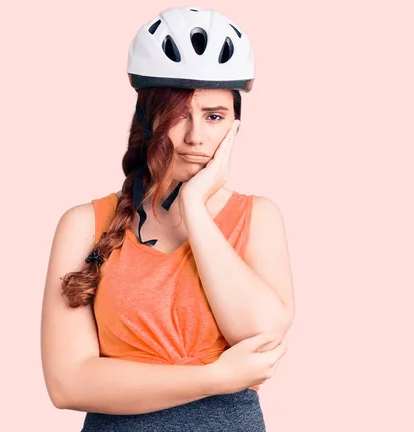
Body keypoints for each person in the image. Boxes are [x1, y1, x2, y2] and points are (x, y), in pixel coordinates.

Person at [40, 6, 295, 431]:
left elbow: (260, 337)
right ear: (148, 117)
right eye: (179, 115)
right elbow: (68, 383)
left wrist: (194, 207)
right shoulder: (84, 224)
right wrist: (215, 377)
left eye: (214, 117)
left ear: (235, 125)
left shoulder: (259, 217)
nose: (196, 136)